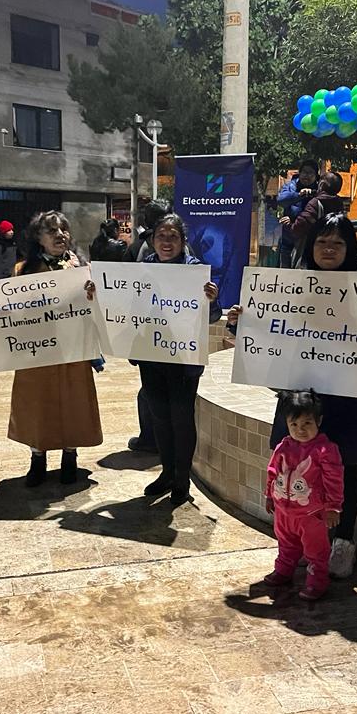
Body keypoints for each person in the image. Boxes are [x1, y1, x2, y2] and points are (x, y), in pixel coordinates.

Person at [226, 213, 357, 578]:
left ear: (350, 249)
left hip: (348, 396)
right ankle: (293, 542)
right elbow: (266, 333)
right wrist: (239, 322)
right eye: (322, 241)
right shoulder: (286, 287)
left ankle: (342, 543)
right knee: (292, 464)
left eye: (338, 242)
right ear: (310, 246)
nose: (329, 249)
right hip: (301, 397)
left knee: (345, 468)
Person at [121, 213, 220, 506]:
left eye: (172, 236)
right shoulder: (142, 270)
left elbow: (213, 316)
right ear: (152, 240)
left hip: (183, 360)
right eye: (161, 236)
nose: (166, 241)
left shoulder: (196, 271)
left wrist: (212, 299)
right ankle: (166, 473)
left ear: (182, 241)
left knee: (181, 419)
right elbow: (126, 307)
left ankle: (182, 478)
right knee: (160, 418)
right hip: (152, 355)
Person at [9, 210, 102, 485]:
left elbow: (97, 306)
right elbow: (10, 311)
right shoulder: (23, 271)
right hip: (37, 352)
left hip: (73, 351)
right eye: (52, 230)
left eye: (63, 229)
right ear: (39, 238)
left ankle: (69, 456)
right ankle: (37, 459)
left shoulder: (82, 269)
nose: (60, 235)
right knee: (37, 404)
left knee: (74, 402)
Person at [262, 390, 343, 600]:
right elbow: (273, 470)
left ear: (319, 421)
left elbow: (334, 480)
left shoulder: (325, 450)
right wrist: (269, 495)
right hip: (283, 511)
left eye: (307, 424)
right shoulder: (283, 446)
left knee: (316, 550)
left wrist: (333, 507)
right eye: (294, 425)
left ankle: (317, 582)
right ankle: (283, 571)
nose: (300, 430)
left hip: (311, 514)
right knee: (285, 543)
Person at [125, 199, 173, 454]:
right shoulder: (183, 247)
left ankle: (152, 438)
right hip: (162, 334)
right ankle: (154, 438)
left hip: (162, 335)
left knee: (151, 392)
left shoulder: (136, 248)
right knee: (152, 391)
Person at [287, 171, 347, 264]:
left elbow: (301, 225)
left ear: (322, 184)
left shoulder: (315, 203)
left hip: (313, 252)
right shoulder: (339, 203)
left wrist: (290, 225)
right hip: (333, 252)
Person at [275, 159, 319, 269]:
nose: (307, 176)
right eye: (304, 172)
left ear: (316, 176)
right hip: (288, 238)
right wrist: (299, 194)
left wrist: (294, 220)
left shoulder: (319, 190)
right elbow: (281, 200)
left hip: (309, 241)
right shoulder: (290, 186)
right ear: (299, 173)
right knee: (285, 274)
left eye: (310, 173)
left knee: (304, 273)